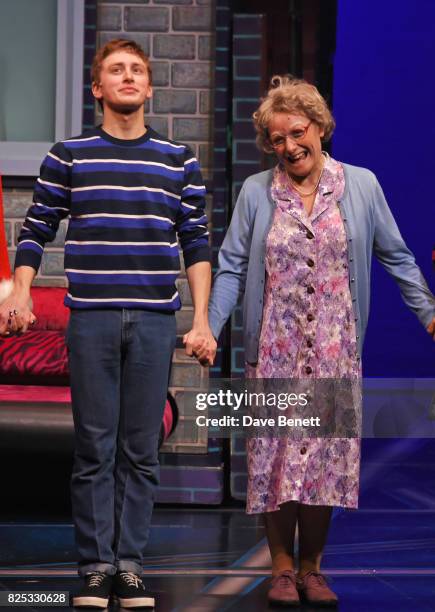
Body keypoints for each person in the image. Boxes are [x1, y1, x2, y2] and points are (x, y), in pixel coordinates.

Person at [0, 39, 216, 609]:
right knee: (94, 448)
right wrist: (20, 291)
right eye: (115, 70)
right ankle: (96, 568)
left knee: (141, 448)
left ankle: (130, 566)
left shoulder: (178, 159)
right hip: (91, 319)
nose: (127, 77)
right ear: (97, 88)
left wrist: (204, 321)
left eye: (136, 71)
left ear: (148, 87)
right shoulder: (69, 155)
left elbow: (196, 242)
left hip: (153, 320)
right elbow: (35, 229)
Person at [208, 75, 435, 607]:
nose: (289, 146)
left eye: (297, 131)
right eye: (277, 138)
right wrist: (210, 326)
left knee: (324, 464)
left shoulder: (361, 185)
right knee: (277, 462)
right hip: (275, 349)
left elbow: (397, 256)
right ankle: (281, 569)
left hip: (335, 349)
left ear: (320, 127)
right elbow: (232, 268)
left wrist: (428, 312)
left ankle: (312, 568)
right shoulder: (256, 192)